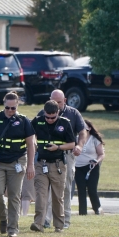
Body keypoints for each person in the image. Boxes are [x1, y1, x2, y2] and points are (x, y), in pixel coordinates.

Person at [0, 91, 35, 237]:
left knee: (14, 195)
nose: (10, 111)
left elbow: (31, 145)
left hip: (17, 161)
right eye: (7, 108)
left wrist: (30, 165)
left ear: (17, 106)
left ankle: (12, 228)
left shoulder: (24, 121)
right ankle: (3, 217)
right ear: (4, 105)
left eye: (13, 108)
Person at [39, 89, 88, 229]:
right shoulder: (44, 113)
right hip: (46, 155)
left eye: (59, 102)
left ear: (65, 100)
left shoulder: (73, 113)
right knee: (46, 187)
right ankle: (46, 219)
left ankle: (65, 219)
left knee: (65, 187)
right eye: (54, 101)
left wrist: (79, 145)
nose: (57, 105)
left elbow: (82, 131)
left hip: (66, 155)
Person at [30, 100, 76, 233]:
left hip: (58, 164)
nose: (50, 120)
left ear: (58, 113)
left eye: (53, 117)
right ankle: (38, 223)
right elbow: (29, 136)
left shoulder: (65, 123)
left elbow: (72, 144)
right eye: (47, 117)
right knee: (40, 194)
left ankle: (59, 225)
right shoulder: (37, 121)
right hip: (41, 163)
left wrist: (58, 147)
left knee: (57, 196)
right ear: (44, 112)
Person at [74, 119, 105, 216]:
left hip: (92, 167)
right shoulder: (76, 138)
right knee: (81, 189)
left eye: (85, 128)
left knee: (92, 189)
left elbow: (101, 154)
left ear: (89, 128)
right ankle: (82, 212)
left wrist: (96, 161)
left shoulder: (94, 139)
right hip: (78, 167)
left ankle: (97, 209)